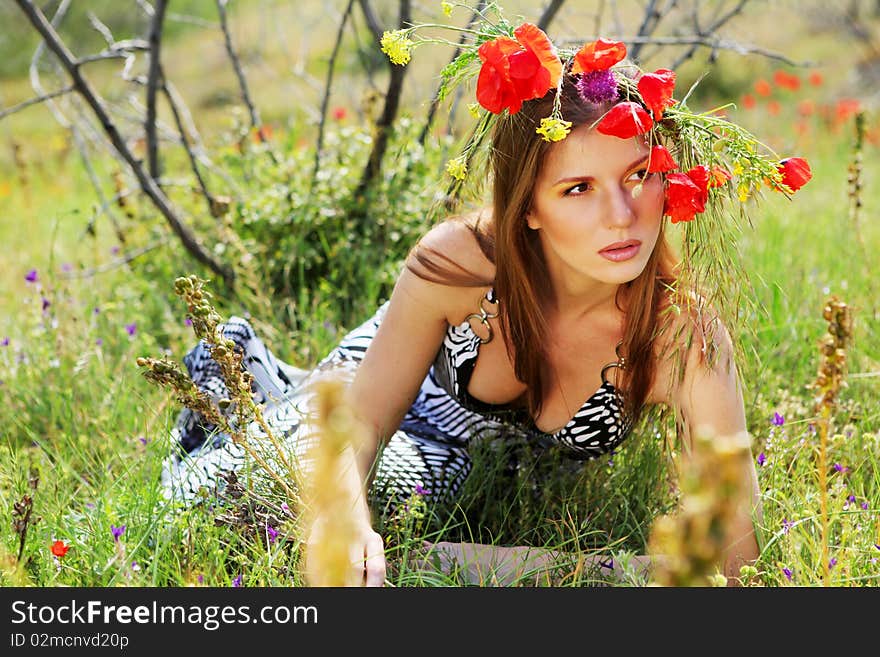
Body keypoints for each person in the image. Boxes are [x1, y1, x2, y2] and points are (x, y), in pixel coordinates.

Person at [159, 23, 810, 587]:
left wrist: (541, 567)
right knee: (209, 502)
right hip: (390, 391)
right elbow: (363, 420)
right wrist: (345, 514)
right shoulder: (460, 264)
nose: (622, 216)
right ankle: (263, 385)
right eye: (578, 188)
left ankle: (275, 393)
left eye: (638, 175)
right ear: (527, 204)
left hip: (466, 469)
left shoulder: (681, 337)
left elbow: (735, 565)